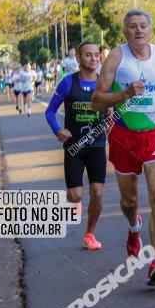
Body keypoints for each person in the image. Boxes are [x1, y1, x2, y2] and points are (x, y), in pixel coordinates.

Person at [91, 9, 155, 287]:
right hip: (124, 136)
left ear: (151, 30)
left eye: (143, 26)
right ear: (125, 31)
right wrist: (126, 94)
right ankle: (134, 226)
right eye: (132, 27)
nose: (138, 30)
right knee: (129, 202)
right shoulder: (117, 57)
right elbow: (97, 100)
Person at [45, 42, 107, 250]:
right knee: (76, 195)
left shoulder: (104, 84)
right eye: (88, 55)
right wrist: (57, 130)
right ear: (79, 59)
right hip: (74, 148)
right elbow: (50, 111)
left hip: (97, 146)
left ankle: (90, 233)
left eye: (96, 55)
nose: (94, 59)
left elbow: (112, 111)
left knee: (97, 192)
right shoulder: (67, 83)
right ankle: (77, 201)